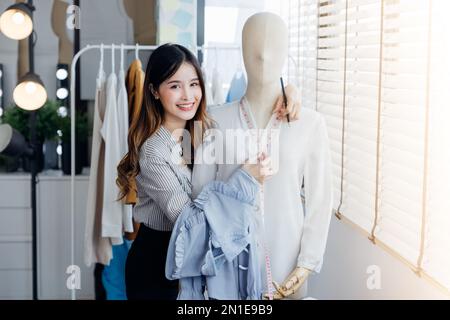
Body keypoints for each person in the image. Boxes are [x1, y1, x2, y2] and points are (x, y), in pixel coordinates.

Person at [116, 43, 300, 300]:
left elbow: (246, 107)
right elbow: (190, 223)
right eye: (174, 86)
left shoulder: (203, 129)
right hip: (157, 264)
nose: (187, 95)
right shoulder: (154, 152)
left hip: (199, 261)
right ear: (154, 92)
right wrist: (246, 179)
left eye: (193, 84)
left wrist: (289, 91)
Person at [192, 12, 333, 300]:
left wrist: (306, 263)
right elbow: (200, 196)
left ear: (286, 51)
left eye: (275, 45)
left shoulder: (309, 123)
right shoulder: (215, 121)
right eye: (255, 45)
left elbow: (321, 201)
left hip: (288, 270)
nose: (265, 53)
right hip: (229, 272)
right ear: (243, 51)